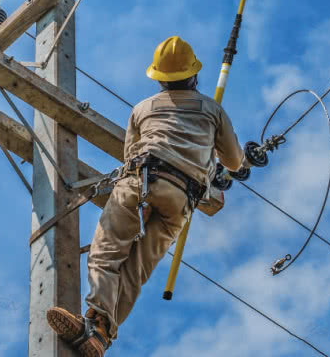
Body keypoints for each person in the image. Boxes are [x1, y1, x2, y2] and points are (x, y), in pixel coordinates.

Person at [46, 35, 246, 357]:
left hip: (142, 180)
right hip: (183, 199)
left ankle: (97, 324)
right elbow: (234, 162)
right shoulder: (213, 110)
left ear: (160, 79)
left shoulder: (142, 109)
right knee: (136, 270)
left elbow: (129, 157)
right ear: (194, 75)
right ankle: (100, 337)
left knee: (107, 254)